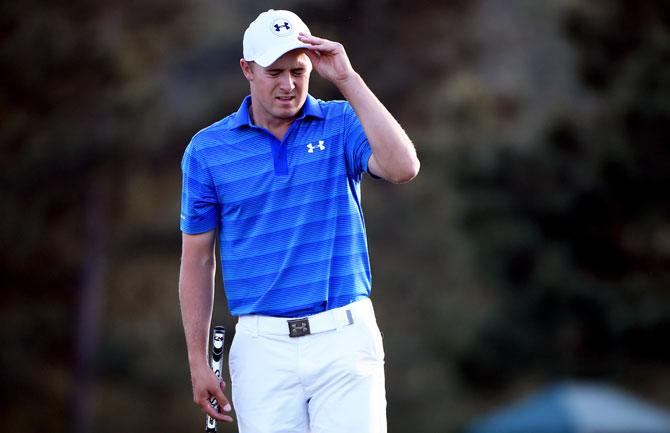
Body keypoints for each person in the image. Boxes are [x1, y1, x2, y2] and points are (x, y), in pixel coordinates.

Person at [178, 9, 419, 433]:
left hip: (344, 338)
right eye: (275, 72)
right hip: (261, 348)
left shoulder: (342, 122)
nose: (288, 85)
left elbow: (403, 167)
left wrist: (347, 78)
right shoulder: (207, 151)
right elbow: (197, 261)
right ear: (247, 70)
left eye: (298, 71)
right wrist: (197, 362)